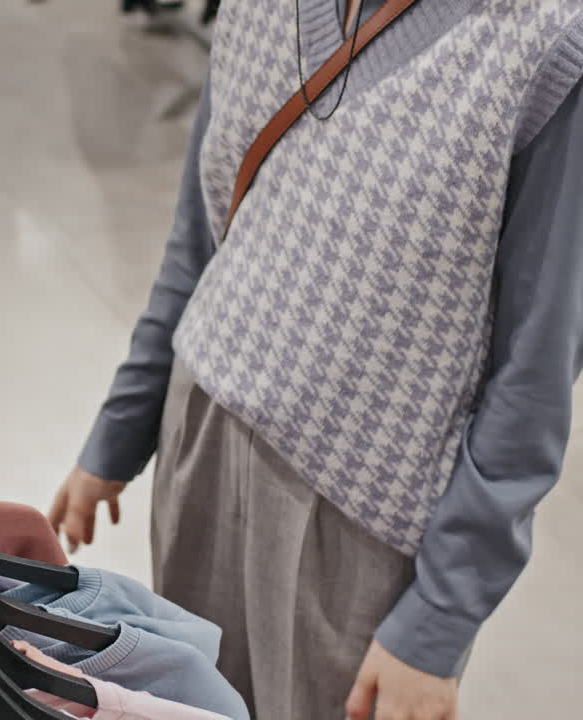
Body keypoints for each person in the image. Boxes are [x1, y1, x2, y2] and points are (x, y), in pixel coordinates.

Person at [48, 1, 583, 719]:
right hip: (202, 435)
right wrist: (123, 425)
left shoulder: (544, 37)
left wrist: (441, 617)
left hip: (359, 512)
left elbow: (535, 372)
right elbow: (204, 228)